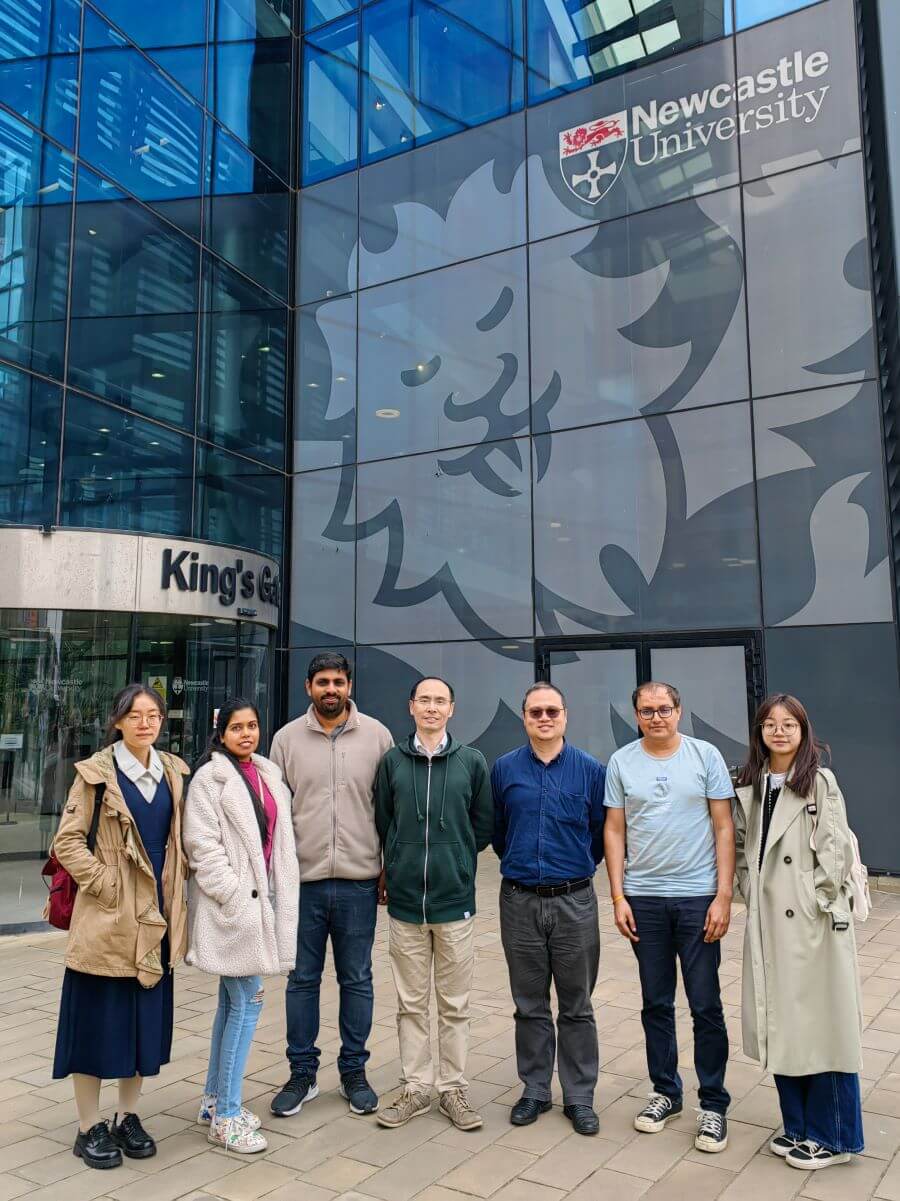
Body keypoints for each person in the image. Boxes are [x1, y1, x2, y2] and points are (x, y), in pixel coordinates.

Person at [50, 684, 190, 1170]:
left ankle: (126, 1115)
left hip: (157, 920)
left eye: (153, 715)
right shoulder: (94, 776)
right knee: (94, 1026)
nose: (146, 723)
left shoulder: (173, 771)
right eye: (135, 715)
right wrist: (105, 884)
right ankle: (88, 1127)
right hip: (108, 922)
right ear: (118, 722)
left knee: (142, 1028)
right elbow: (66, 842)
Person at [734, 694, 864, 1170]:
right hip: (769, 920)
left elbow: (834, 852)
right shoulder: (750, 783)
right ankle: (798, 1127)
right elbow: (748, 846)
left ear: (804, 731)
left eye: (789, 724)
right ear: (759, 733)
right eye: (770, 724)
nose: (780, 731)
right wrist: (750, 886)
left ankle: (833, 1135)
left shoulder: (819, 781)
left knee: (824, 1026)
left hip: (813, 924)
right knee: (781, 1024)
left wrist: (820, 904)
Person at [604, 682, 735, 1154]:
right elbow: (614, 829)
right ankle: (665, 1093)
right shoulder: (621, 761)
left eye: (664, 709)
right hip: (645, 900)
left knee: (705, 1004)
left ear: (679, 711)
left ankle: (713, 1104)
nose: (656, 717)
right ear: (636, 715)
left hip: (698, 898)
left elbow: (724, 826)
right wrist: (618, 895)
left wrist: (724, 896)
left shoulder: (705, 756)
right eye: (646, 711)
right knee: (656, 1003)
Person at [268, 652, 393, 1117]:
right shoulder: (285, 740)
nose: (331, 690)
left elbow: (390, 808)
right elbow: (273, 815)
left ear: (349, 684)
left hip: (360, 881)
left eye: (338, 681)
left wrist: (388, 866)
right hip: (303, 883)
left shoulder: (377, 736)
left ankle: (354, 1072)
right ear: (308, 687)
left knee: (356, 978)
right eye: (322, 682)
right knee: (301, 980)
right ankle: (302, 1073)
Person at [374, 676, 493, 1132]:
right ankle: (416, 1087)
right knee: (410, 1002)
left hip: (454, 902)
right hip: (405, 905)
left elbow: (482, 826)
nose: (431, 708)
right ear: (411, 707)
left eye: (440, 700)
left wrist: (457, 862)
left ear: (452, 709)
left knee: (455, 1003)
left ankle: (453, 1089)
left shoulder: (472, 762)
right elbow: (384, 819)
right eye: (424, 700)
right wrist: (400, 862)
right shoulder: (392, 762)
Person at [183, 698, 299, 1153]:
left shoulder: (268, 773)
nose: (246, 734)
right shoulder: (209, 780)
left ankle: (214, 1101)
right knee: (247, 1002)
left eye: (252, 725)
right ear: (221, 733)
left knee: (231, 1006)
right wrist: (235, 895)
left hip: (259, 906)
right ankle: (227, 1115)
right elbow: (202, 846)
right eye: (237, 728)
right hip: (234, 911)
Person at [491, 683, 606, 1137]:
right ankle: (535, 1090)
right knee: (529, 1003)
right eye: (535, 712)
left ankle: (579, 1097)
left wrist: (572, 869)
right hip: (519, 900)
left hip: (574, 900)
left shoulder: (590, 770)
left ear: (565, 715)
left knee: (577, 1004)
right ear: (524, 717)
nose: (544, 718)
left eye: (552, 711)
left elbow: (599, 833)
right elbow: (499, 830)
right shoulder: (504, 769)